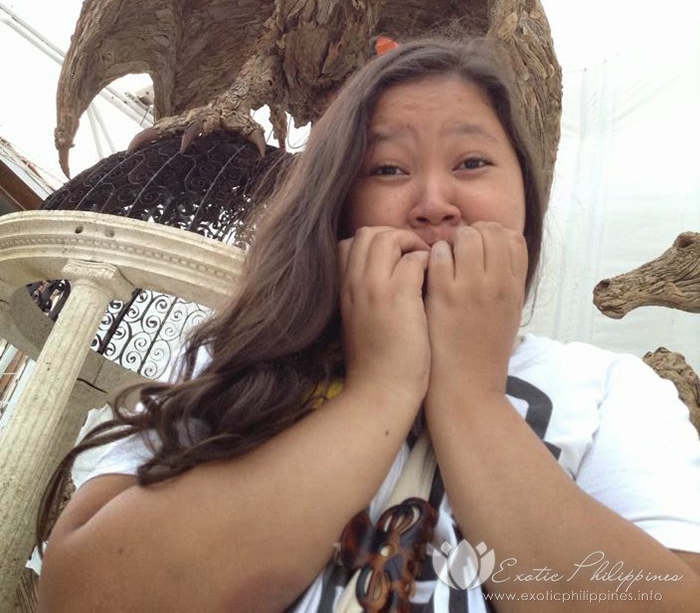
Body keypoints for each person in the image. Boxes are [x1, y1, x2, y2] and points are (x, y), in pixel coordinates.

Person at [37, 36, 700, 613]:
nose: (434, 203)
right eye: (387, 169)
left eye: (472, 162)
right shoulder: (234, 363)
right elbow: (84, 595)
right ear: (337, 205)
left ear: (526, 196)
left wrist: (471, 396)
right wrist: (382, 388)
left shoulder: (615, 390)